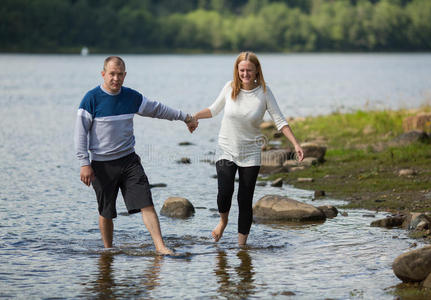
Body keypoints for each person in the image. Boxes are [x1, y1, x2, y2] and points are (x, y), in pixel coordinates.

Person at [74, 56, 198, 254]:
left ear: (125, 75)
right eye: (112, 74)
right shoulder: (91, 99)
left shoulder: (131, 97)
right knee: (106, 211)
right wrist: (84, 163)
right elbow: (80, 133)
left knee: (146, 203)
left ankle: (160, 247)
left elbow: (158, 109)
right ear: (103, 74)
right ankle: (108, 251)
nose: (116, 78)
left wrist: (185, 117)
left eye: (120, 74)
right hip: (102, 165)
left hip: (129, 161)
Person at [193, 51, 304, 246]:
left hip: (251, 152)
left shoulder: (264, 92)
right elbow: (213, 110)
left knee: (245, 200)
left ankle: (241, 246)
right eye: (242, 70)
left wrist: (295, 144)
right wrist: (193, 117)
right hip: (226, 148)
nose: (245, 74)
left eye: (249, 70)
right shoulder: (229, 88)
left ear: (256, 71)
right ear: (237, 70)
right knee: (225, 191)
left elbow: (279, 120)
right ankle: (223, 221)